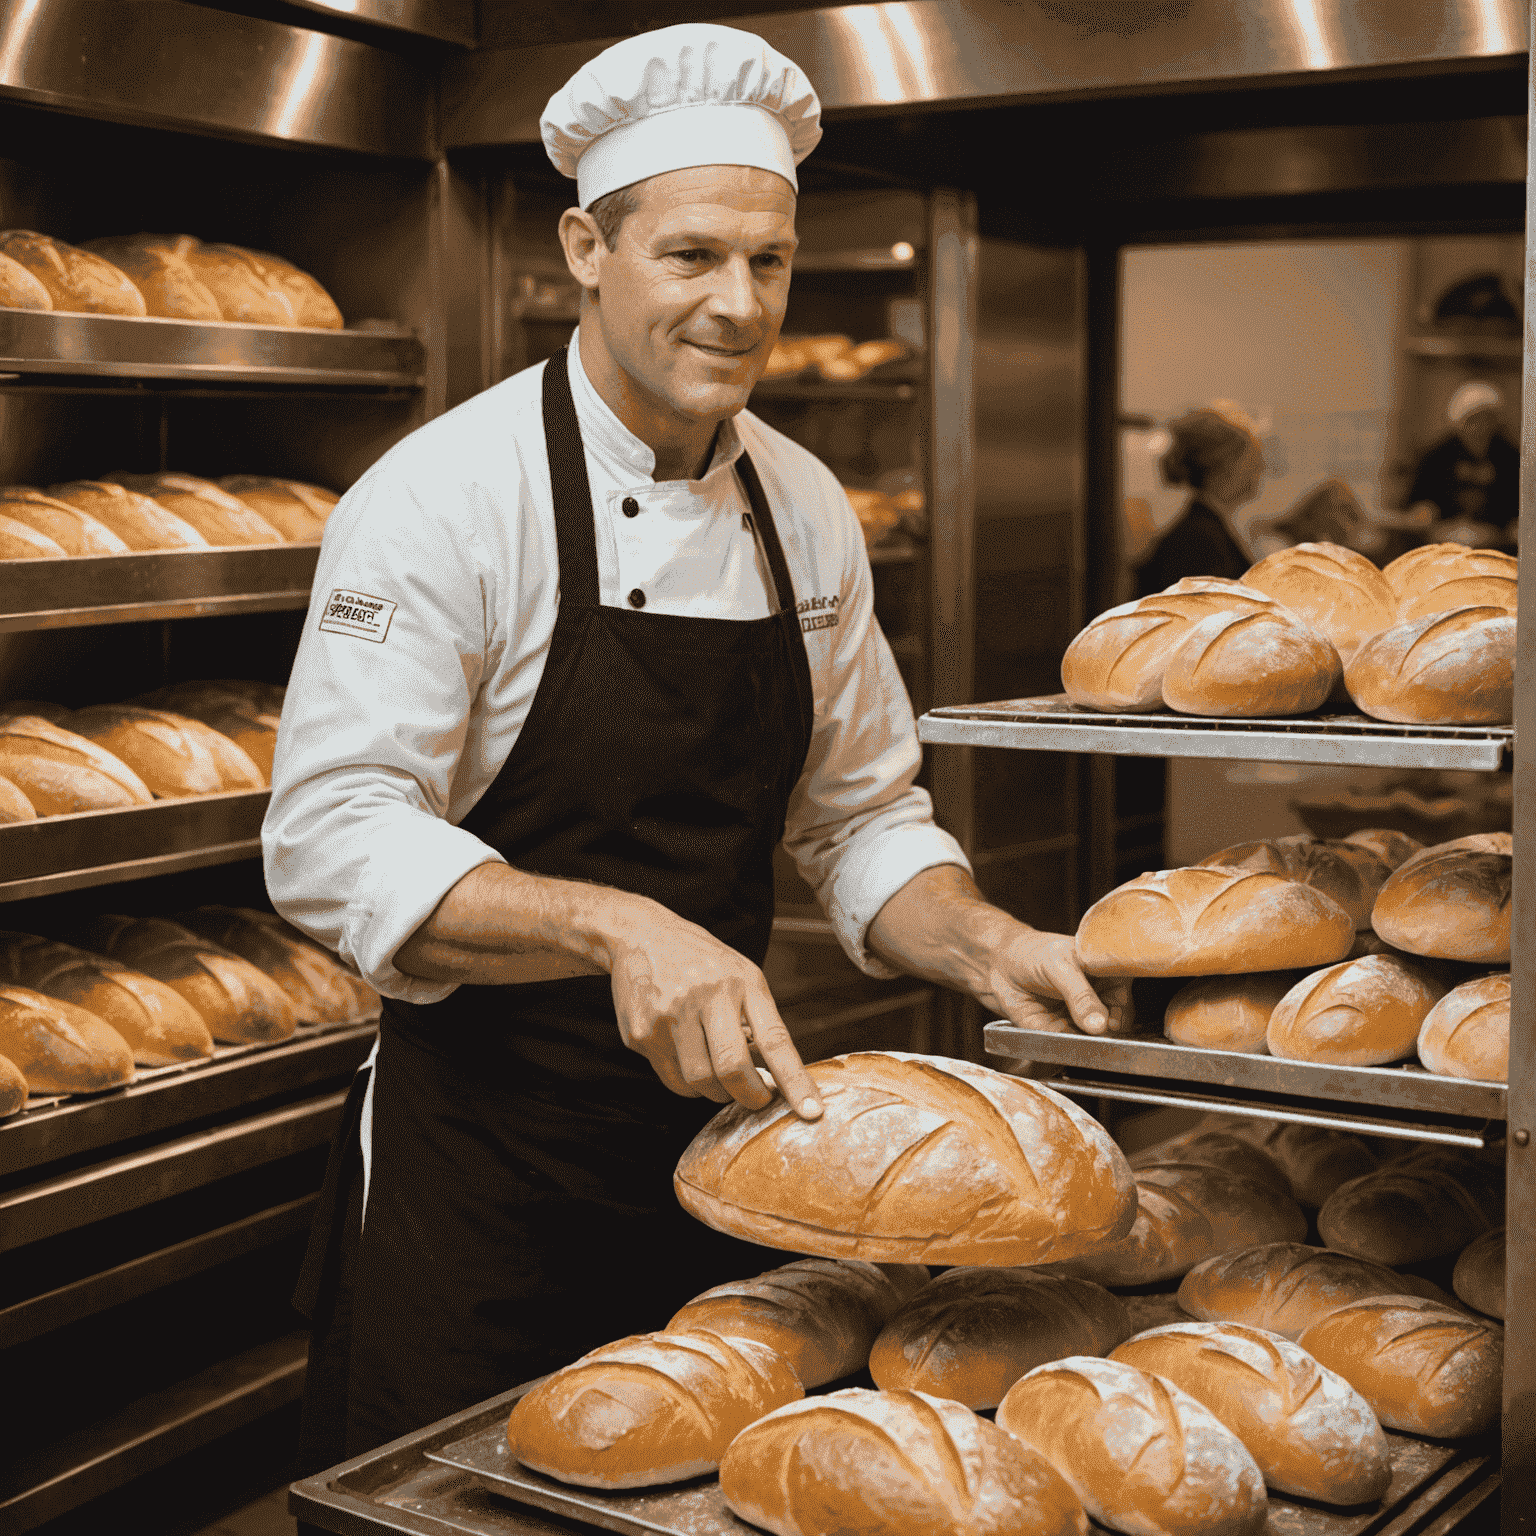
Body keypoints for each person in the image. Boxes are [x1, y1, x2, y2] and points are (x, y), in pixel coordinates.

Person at [266, 23, 1133, 1472]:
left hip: (731, 1167)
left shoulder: (801, 504)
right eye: (691, 258)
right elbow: (333, 834)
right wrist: (617, 929)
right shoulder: (443, 500)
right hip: (485, 1175)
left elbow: (857, 815)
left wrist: (983, 940)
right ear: (584, 250)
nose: (739, 305)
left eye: (770, 263)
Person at [1133, 404, 1264, 597]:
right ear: (1227, 463)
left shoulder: (1202, 530)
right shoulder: (1199, 540)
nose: (1260, 467)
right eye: (1252, 457)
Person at [1403, 380, 1519, 546]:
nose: (1481, 427)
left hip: (1497, 545)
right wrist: (1424, 512)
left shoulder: (1511, 457)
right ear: (1458, 422)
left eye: (1488, 419)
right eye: (1473, 421)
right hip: (1442, 545)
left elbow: (1518, 507)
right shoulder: (1436, 456)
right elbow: (1419, 500)